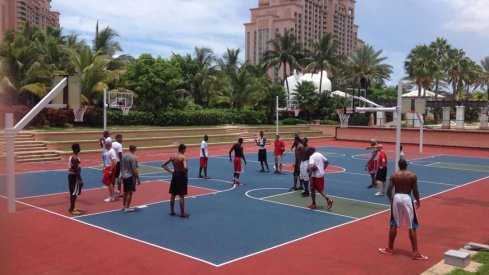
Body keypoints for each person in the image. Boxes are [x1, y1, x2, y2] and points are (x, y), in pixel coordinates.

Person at [379, 159, 428, 260]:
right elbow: (415, 190)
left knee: (393, 223)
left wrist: (391, 200)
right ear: (406, 165)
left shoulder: (394, 175)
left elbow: (388, 191)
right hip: (407, 198)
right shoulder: (412, 176)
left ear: (399, 165)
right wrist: (418, 200)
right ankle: (415, 253)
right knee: (412, 225)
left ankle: (389, 248)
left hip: (397, 197)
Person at [162, 144, 190, 218]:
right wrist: (185, 173)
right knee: (181, 195)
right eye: (185, 150)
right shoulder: (183, 157)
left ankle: (171, 211)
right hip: (181, 176)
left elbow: (163, 165)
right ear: (183, 149)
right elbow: (185, 167)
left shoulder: (173, 156)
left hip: (175, 175)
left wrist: (171, 172)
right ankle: (182, 213)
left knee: (173, 194)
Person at [120, 145, 141, 212]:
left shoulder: (124, 155)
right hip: (129, 176)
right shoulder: (133, 158)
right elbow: (134, 169)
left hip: (123, 175)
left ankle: (124, 206)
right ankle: (127, 207)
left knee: (125, 192)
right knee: (130, 192)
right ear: (134, 149)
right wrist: (138, 179)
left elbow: (121, 165)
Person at [68, 143, 83, 215]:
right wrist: (80, 179)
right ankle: (72, 209)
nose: (80, 148)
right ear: (76, 149)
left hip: (72, 176)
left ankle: (72, 207)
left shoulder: (72, 156)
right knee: (74, 193)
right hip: (74, 176)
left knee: (73, 193)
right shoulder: (75, 158)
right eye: (79, 147)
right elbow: (76, 170)